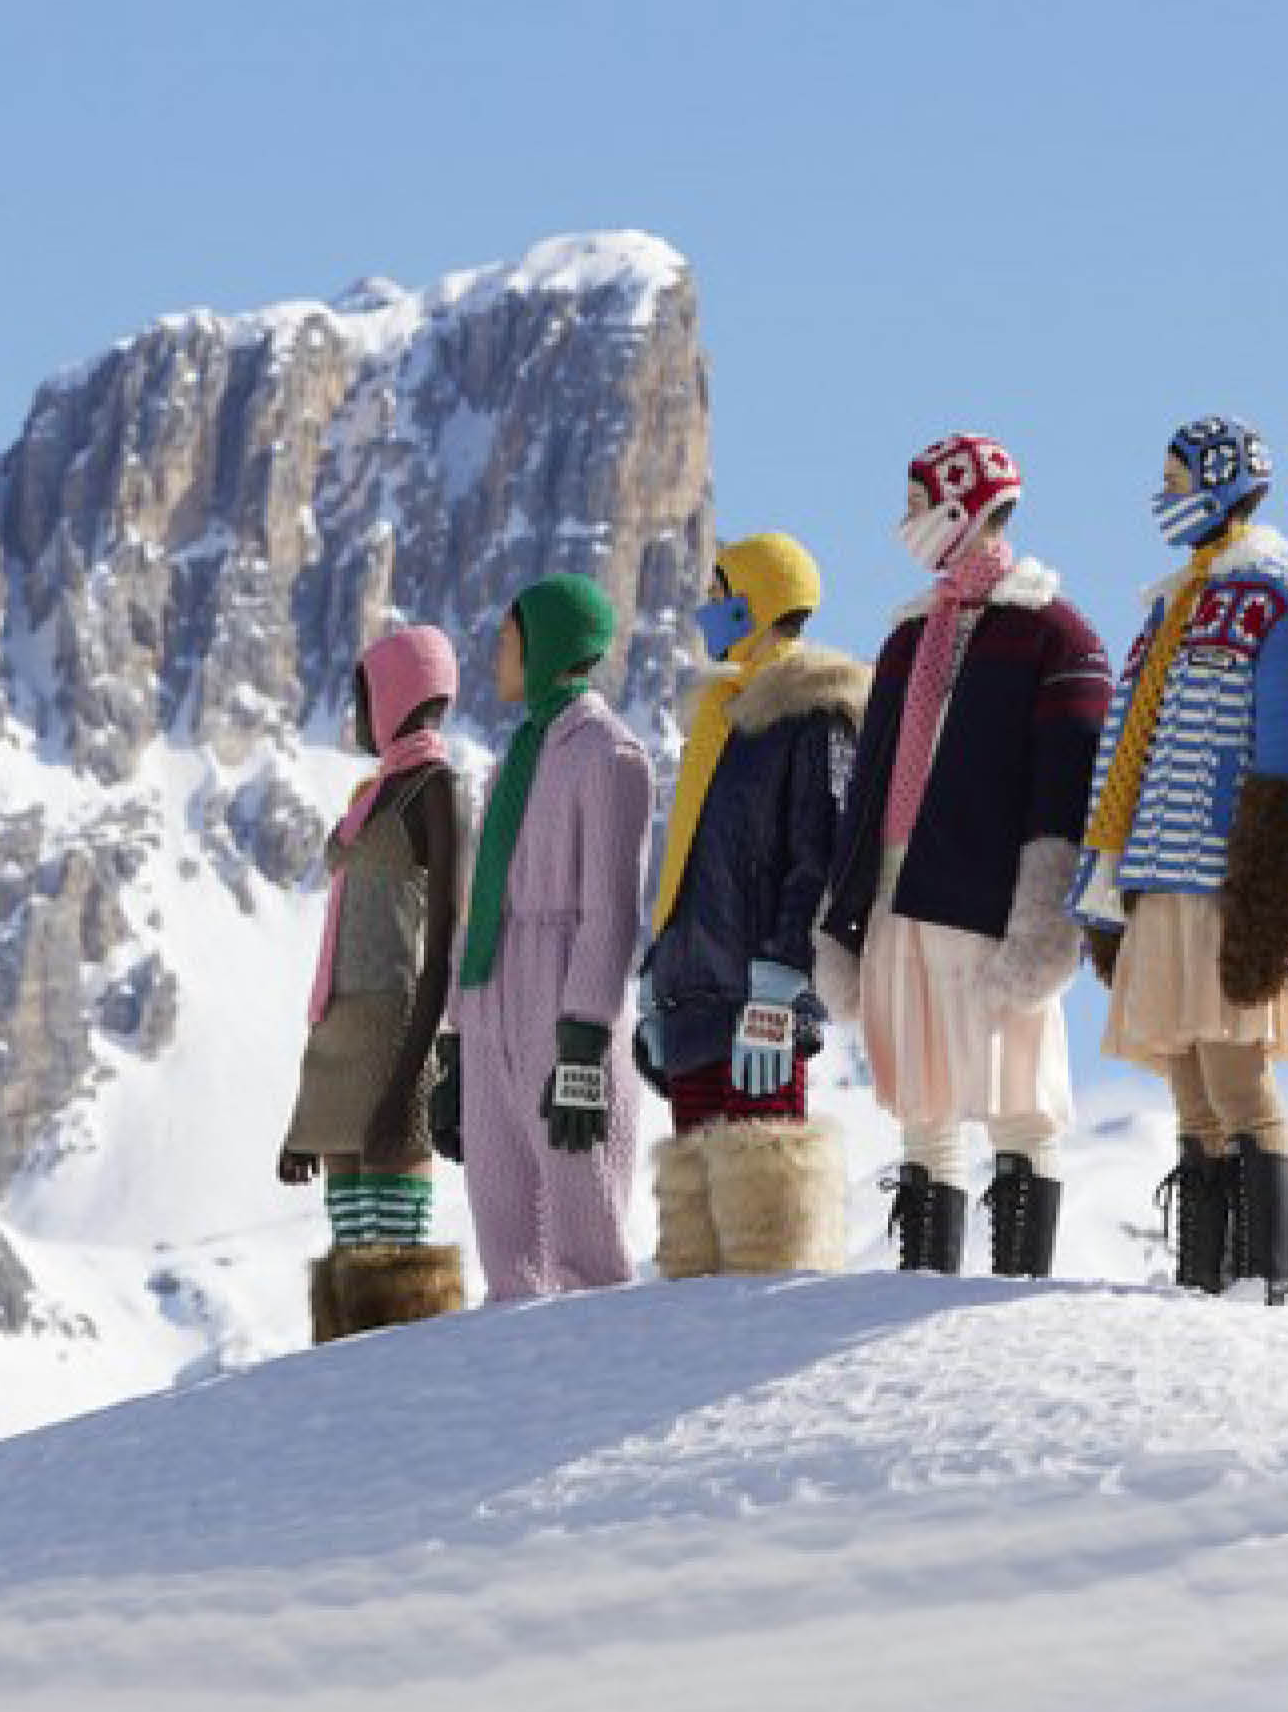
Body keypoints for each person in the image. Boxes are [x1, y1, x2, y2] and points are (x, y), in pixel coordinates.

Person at [816, 434, 1111, 1277]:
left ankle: (1015, 1278)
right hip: (898, 886)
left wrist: (1044, 921)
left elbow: (1065, 789)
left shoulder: (1053, 632)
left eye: (916, 504)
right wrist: (845, 901)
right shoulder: (910, 637)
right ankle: (923, 1277)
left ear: (961, 505)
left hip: (989, 895)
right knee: (920, 1091)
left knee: (1013, 1088)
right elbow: (870, 781)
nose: (904, 522)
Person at [1074, 418, 1288, 1300]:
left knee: (1239, 1081)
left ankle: (1259, 1278)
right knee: (1190, 1088)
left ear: (1224, 482)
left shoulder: (1276, 599)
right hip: (1157, 875)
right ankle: (1202, 1274)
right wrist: (1109, 883)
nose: (1162, 495)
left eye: (1175, 477)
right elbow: (1129, 748)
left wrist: (1273, 892)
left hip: (1226, 883)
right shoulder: (1169, 606)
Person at [638, 533, 869, 1279]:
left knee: (765, 1228)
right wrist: (658, 968)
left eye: (718, 593)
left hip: (757, 998)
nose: (706, 609)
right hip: (694, 997)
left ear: (758, 602)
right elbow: (695, 865)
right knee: (696, 1237)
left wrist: (783, 976)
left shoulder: (812, 714)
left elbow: (820, 857)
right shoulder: (720, 719)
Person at [429, 575, 656, 1301]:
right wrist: (456, 1039)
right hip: (494, 984)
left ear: (549, 646)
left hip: (562, 994)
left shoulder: (610, 756)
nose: (496, 655)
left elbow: (611, 909)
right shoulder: (511, 760)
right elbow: (482, 900)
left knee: (581, 1217)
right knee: (503, 1228)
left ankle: (599, 1377)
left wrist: (584, 1037)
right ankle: (514, 1389)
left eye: (508, 640)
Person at [280, 624, 471, 1339]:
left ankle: (398, 1408)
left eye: (363, 696)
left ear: (395, 695)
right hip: (341, 1036)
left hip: (398, 1028)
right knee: (350, 1248)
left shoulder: (434, 790)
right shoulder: (376, 794)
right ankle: (345, 1411)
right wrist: (304, 1121)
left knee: (396, 1264)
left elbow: (445, 934)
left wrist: (410, 1076)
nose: (356, 715)